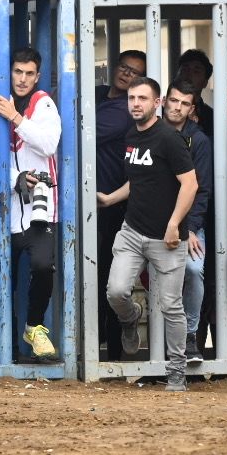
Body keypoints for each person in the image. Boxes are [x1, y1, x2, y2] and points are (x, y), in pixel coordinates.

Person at [96, 78, 198, 390]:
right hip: (132, 231)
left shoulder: (169, 138)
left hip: (166, 238)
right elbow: (140, 180)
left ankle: (177, 371)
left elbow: (190, 184)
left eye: (143, 98)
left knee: (170, 305)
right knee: (115, 292)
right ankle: (131, 318)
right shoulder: (130, 135)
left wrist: (173, 224)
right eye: (131, 98)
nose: (136, 103)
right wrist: (112, 198)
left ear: (158, 103)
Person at [0, 46, 62, 360]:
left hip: (40, 209)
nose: (22, 79)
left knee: (42, 267)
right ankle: (7, 349)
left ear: (37, 76)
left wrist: (15, 117)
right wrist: (15, 178)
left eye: (29, 74)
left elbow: (49, 143)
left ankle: (34, 326)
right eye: (17, 72)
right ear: (7, 72)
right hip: (0, 215)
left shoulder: (43, 104)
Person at [94, 50, 146, 361]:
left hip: (112, 204)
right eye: (124, 67)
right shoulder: (99, 94)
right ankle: (96, 347)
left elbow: (80, 127)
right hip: (88, 201)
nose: (126, 74)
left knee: (107, 277)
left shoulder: (125, 109)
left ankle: (112, 352)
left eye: (134, 73)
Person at [162, 82, 212, 363]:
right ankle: (159, 343)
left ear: (192, 109)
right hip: (150, 223)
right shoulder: (151, 132)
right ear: (164, 102)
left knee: (193, 269)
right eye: (173, 101)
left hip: (187, 223)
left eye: (184, 103)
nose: (177, 107)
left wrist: (190, 228)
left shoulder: (199, 140)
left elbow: (202, 189)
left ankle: (190, 336)